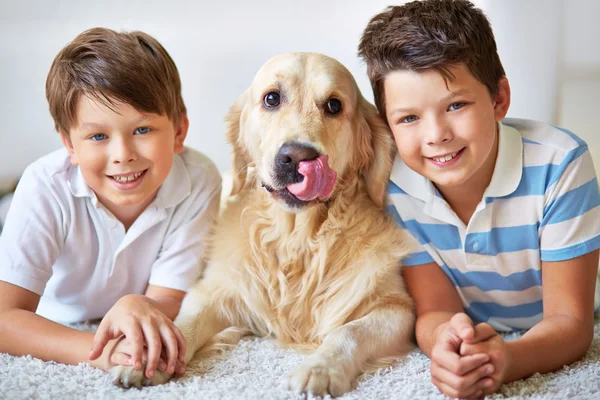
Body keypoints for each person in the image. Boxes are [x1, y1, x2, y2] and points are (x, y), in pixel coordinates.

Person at [358, 1, 600, 398]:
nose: (436, 135)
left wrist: (507, 359)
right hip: (472, 326)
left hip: (551, 321)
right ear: (387, 125)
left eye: (456, 105)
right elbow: (435, 308)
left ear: (498, 99)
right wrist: (445, 345)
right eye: (409, 118)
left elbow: (571, 322)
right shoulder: (394, 186)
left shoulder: (559, 163)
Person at [0, 27, 221, 381]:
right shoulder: (45, 185)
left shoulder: (199, 179)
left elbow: (167, 299)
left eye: (142, 130)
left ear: (179, 131)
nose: (123, 155)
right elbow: (5, 319)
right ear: (70, 145)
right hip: (60, 304)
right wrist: (99, 351)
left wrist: (138, 303)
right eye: (98, 136)